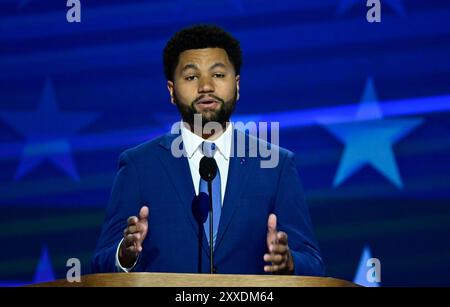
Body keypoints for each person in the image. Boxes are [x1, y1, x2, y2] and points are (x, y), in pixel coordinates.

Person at [92, 25, 324, 276]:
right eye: (191, 77)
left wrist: (288, 262)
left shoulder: (276, 165)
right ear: (171, 91)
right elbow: (100, 264)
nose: (205, 87)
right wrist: (124, 255)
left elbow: (314, 264)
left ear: (237, 85)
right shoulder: (138, 166)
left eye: (218, 75)